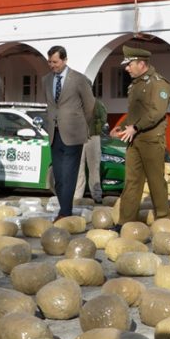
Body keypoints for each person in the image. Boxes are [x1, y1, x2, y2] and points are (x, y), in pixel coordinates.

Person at [112, 45, 170, 226]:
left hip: (152, 140)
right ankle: (126, 222)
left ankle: (163, 219)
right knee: (131, 182)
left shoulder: (159, 83)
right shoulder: (135, 85)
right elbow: (135, 113)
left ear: (141, 63)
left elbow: (156, 112)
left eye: (130, 64)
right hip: (134, 139)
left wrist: (135, 127)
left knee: (155, 181)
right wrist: (122, 127)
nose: (127, 68)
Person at [42, 45, 95, 220]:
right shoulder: (46, 80)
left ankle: (65, 211)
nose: (52, 65)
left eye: (55, 62)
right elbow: (50, 105)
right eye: (50, 62)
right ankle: (64, 207)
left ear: (64, 60)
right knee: (58, 175)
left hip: (73, 134)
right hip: (54, 133)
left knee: (69, 173)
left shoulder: (78, 79)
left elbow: (90, 105)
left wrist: (80, 125)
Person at [74, 98, 107, 204]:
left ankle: (96, 195)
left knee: (94, 167)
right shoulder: (75, 101)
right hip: (78, 136)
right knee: (79, 167)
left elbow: (103, 117)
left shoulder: (97, 103)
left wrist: (96, 128)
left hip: (93, 136)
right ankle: (77, 195)